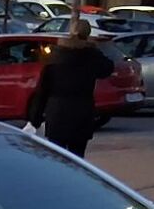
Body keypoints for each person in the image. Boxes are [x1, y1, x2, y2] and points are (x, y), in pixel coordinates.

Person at [26, 17, 114, 158]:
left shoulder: (55, 57)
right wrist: (94, 49)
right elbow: (107, 68)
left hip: (57, 113)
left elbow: (42, 90)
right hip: (81, 113)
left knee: (57, 159)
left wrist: (34, 119)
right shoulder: (91, 56)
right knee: (77, 159)